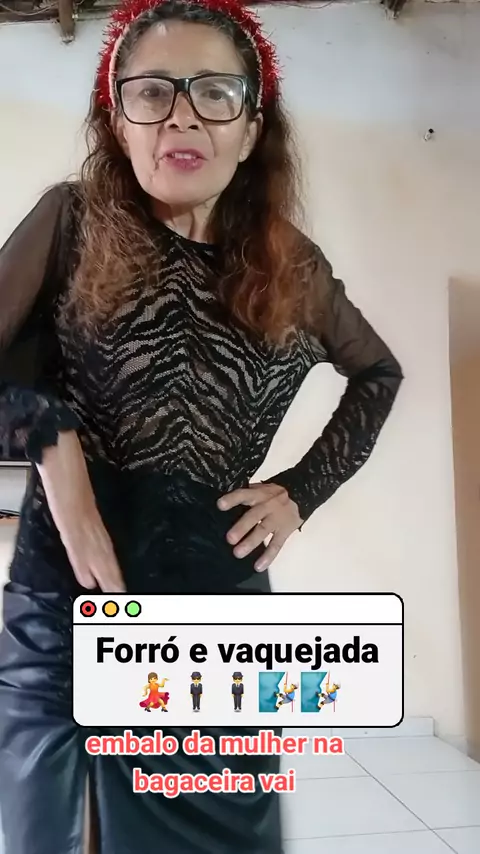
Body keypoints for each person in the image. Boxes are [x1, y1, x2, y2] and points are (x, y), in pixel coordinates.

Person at [0, 0, 403, 850]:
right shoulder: (70, 220)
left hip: (215, 615)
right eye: (153, 92)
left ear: (251, 130)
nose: (181, 115)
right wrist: (51, 442)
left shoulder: (293, 267)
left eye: (214, 92)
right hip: (69, 601)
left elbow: (378, 374)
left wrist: (300, 491)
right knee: (59, 835)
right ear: (119, 122)